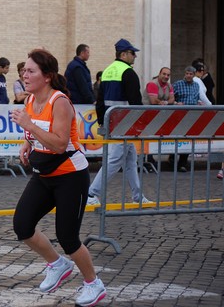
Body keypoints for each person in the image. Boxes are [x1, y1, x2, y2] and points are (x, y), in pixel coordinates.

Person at [9, 49, 106, 307]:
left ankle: (93, 284)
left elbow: (61, 144)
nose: (24, 75)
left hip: (70, 177)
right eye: (24, 70)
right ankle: (57, 264)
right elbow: (36, 130)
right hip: (43, 174)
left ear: (47, 76)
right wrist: (26, 143)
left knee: (68, 237)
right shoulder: (31, 100)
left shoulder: (59, 101)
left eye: (31, 71)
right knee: (22, 225)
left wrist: (29, 127)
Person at [87, 39, 151, 205]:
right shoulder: (128, 72)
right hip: (125, 124)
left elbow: (99, 100)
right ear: (123, 54)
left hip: (112, 123)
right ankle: (91, 194)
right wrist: (140, 123)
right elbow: (135, 101)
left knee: (130, 158)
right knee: (114, 160)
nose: (135, 56)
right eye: (132, 53)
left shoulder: (107, 71)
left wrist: (102, 122)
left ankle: (137, 196)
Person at [171, 66, 203, 172]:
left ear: (194, 75)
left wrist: (199, 103)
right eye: (187, 73)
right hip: (179, 116)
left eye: (191, 74)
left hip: (191, 116)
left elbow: (196, 97)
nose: (189, 76)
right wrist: (176, 103)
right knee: (176, 138)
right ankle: (172, 158)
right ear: (184, 74)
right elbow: (171, 98)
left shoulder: (196, 86)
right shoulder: (177, 84)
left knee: (188, 139)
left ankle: (182, 162)